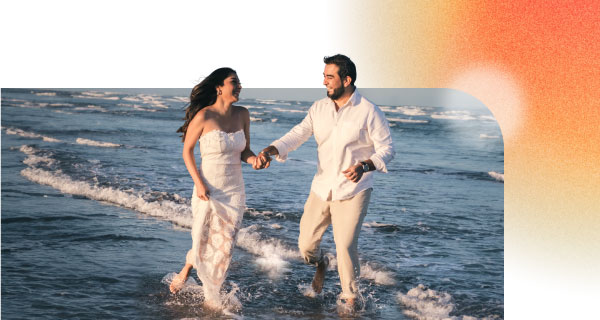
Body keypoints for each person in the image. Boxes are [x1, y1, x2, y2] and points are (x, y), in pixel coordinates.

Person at [257, 54, 395, 308]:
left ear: (347, 79)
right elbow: (297, 134)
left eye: (329, 77)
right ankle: (321, 263)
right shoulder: (319, 108)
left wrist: (365, 166)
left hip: (354, 189)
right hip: (321, 188)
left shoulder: (369, 111)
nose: (324, 82)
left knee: (345, 245)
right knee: (306, 246)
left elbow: (386, 149)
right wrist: (271, 150)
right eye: (324, 76)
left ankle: (350, 298)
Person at [170, 67, 263, 307]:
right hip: (208, 189)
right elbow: (187, 152)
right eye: (234, 81)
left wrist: (254, 160)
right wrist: (198, 184)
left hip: (234, 191)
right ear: (219, 87)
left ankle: (213, 294)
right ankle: (189, 270)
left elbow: (245, 151)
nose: (239, 85)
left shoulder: (243, 114)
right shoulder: (204, 116)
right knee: (202, 237)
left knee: (225, 245)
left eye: (239, 81)